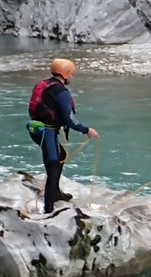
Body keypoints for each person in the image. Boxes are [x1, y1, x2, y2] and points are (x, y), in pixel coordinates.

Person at [27, 59, 99, 213]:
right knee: (54, 165)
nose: (72, 76)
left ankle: (56, 193)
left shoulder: (44, 84)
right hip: (48, 132)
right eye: (71, 73)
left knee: (61, 155)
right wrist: (86, 130)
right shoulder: (61, 91)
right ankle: (49, 207)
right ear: (65, 73)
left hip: (38, 130)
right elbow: (69, 119)